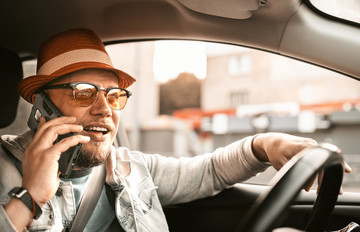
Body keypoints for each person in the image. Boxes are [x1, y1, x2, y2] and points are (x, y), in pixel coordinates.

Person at [0, 28, 350, 232]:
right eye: (83, 93)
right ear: (43, 107)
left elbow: (208, 171)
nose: (104, 108)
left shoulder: (130, 168)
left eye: (114, 95)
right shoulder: (3, 167)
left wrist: (264, 144)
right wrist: (30, 195)